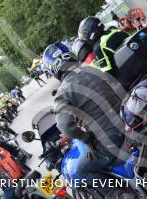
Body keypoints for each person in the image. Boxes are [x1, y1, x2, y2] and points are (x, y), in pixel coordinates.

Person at [43, 43, 127, 187]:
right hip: (129, 120)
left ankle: (121, 194)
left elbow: (65, 125)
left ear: (53, 69)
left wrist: (85, 138)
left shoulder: (63, 92)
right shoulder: (92, 69)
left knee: (81, 170)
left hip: (112, 137)